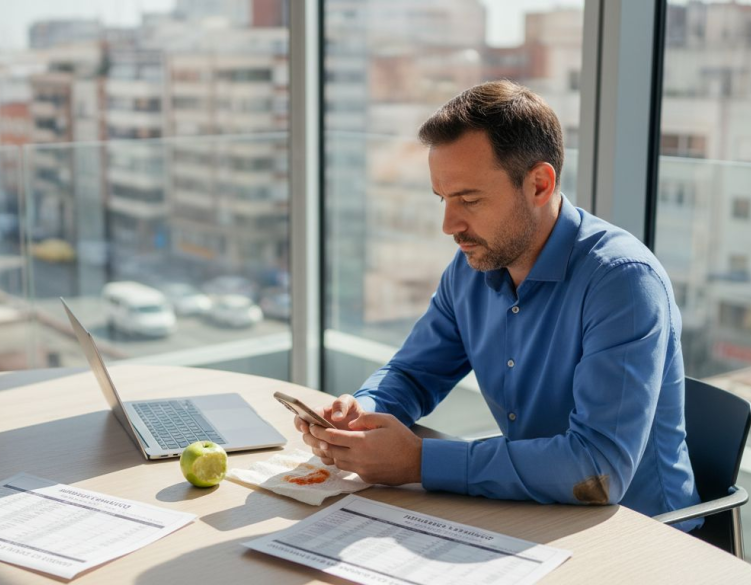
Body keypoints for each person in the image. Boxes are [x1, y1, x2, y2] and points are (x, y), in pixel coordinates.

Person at [295, 80, 701, 527]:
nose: (449, 225)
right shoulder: (474, 264)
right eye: (444, 199)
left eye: (469, 199)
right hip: (531, 514)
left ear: (539, 185)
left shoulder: (622, 282)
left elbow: (597, 469)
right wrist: (362, 414)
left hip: (638, 536)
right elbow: (412, 374)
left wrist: (419, 462)